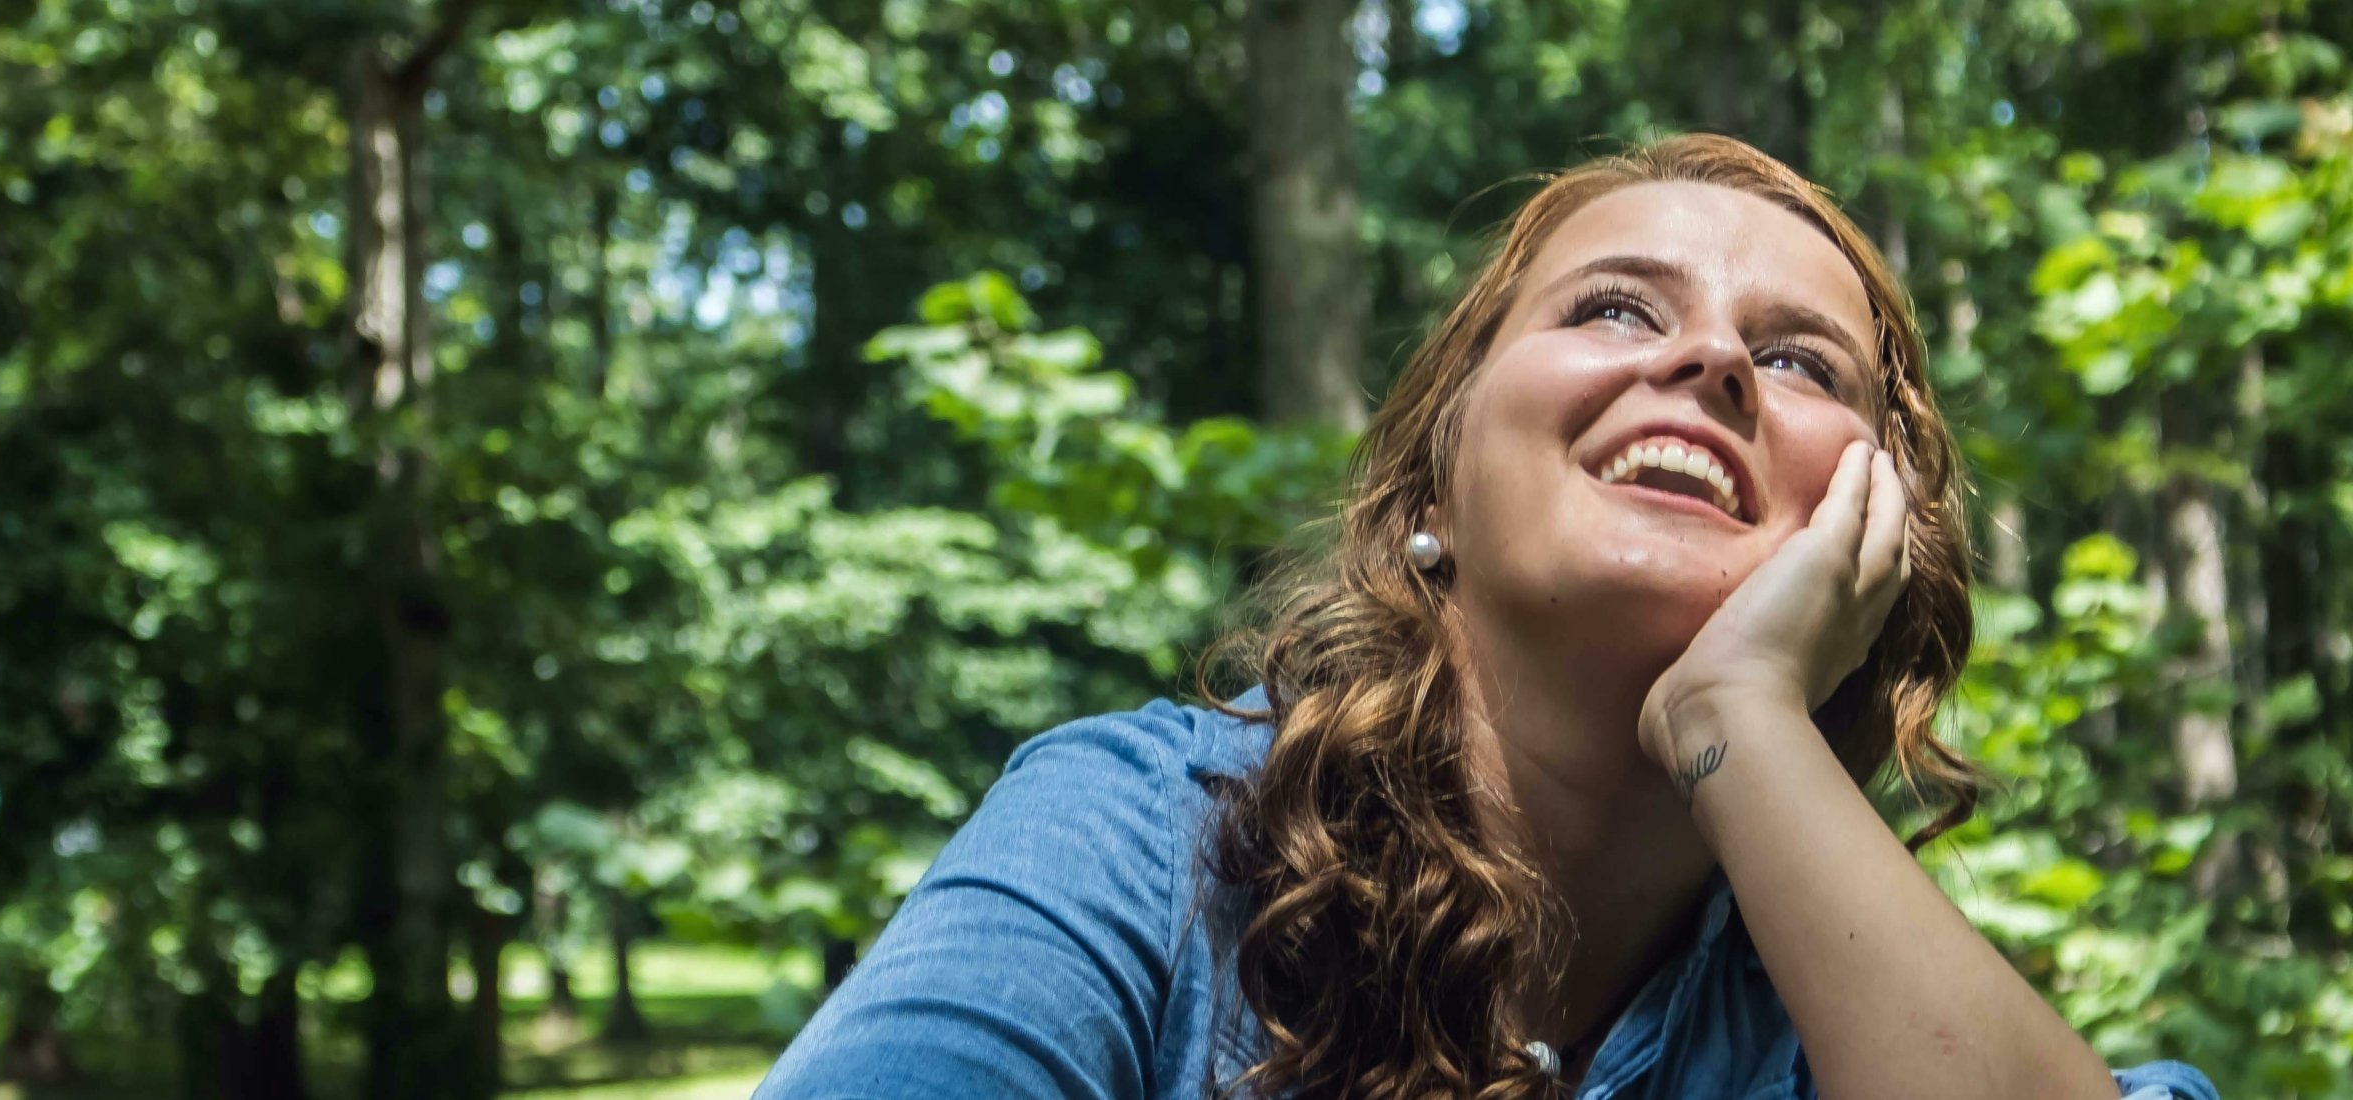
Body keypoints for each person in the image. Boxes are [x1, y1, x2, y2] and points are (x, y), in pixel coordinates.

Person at [752, 134, 2220, 1100]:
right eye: (1616, 311)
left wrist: (1739, 723)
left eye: (1799, 360)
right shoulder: (1142, 844)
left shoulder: (1847, 1017)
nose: (1711, 356)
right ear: (1428, 492)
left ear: (1873, 538)